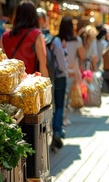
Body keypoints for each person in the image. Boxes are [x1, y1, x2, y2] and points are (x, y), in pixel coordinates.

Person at [37, 9, 68, 150]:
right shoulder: (54, 40)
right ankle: (56, 131)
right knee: (58, 105)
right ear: (44, 20)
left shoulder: (33, 38)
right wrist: (65, 73)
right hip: (56, 77)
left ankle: (46, 134)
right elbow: (61, 63)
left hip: (35, 79)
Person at [0, 0, 48, 77]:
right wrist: (47, 86)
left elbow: (1, 63)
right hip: (29, 85)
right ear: (34, 16)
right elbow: (43, 65)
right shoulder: (36, 34)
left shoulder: (4, 37)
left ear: (17, 16)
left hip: (10, 84)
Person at [58, 16, 85, 127]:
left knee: (59, 96)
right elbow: (83, 56)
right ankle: (64, 118)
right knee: (67, 96)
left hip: (59, 71)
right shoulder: (77, 40)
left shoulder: (56, 39)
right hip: (72, 71)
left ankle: (60, 118)